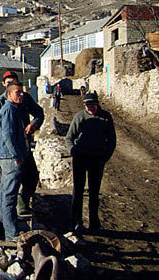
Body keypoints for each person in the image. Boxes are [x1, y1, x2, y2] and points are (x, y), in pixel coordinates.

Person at [0, 71, 44, 215]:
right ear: (4, 85)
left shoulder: (24, 98)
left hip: (25, 145)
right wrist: (4, 141)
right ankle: (6, 219)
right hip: (9, 152)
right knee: (11, 183)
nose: (12, 85)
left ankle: (23, 204)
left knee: (31, 176)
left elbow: (39, 113)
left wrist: (34, 125)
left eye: (14, 82)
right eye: (8, 83)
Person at [65, 92, 116, 233]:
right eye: (88, 106)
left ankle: (94, 223)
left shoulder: (106, 117)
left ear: (97, 105)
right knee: (78, 191)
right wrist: (72, 151)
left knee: (94, 192)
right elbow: (69, 137)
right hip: (80, 157)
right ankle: (76, 222)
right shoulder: (79, 117)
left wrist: (106, 156)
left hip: (97, 159)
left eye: (92, 106)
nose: (90, 109)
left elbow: (112, 140)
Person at [0, 80, 28, 241]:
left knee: (4, 193)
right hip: (11, 158)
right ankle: (11, 233)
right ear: (9, 94)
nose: (21, 95)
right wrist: (17, 156)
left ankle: (0, 225)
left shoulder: (12, 109)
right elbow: (8, 135)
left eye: (22, 92)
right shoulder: (9, 110)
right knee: (10, 195)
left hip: (9, 156)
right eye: (18, 92)